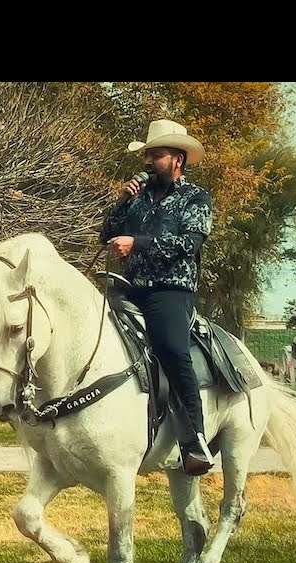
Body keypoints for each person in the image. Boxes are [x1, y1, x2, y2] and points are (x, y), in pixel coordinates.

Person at [100, 118, 215, 476]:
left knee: (171, 349)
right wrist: (123, 201)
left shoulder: (195, 198)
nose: (148, 162)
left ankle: (195, 439)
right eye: (147, 155)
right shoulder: (139, 197)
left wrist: (139, 243)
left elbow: (189, 244)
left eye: (156, 155)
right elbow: (105, 232)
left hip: (170, 289)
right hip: (129, 284)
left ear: (177, 160)